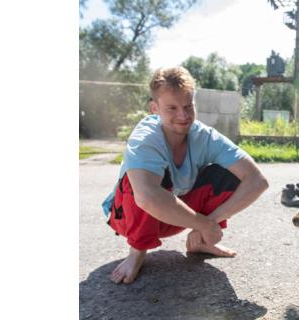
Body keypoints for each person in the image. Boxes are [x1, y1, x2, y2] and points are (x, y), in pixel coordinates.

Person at [101, 67, 268, 284]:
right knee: (141, 181)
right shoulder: (145, 138)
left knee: (229, 174)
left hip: (174, 216)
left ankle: (200, 242)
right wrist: (206, 224)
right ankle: (137, 250)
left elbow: (257, 180)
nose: (183, 115)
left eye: (188, 106)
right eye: (172, 108)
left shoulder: (204, 136)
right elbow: (147, 197)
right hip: (128, 217)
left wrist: (208, 223)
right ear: (155, 108)